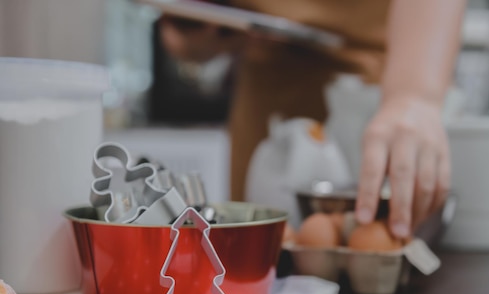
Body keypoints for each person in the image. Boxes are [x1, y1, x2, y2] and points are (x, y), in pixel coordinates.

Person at [159, 0, 466, 239]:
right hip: (268, 101)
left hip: (373, 97)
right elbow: (179, 39)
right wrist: (203, 33)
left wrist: (412, 95)